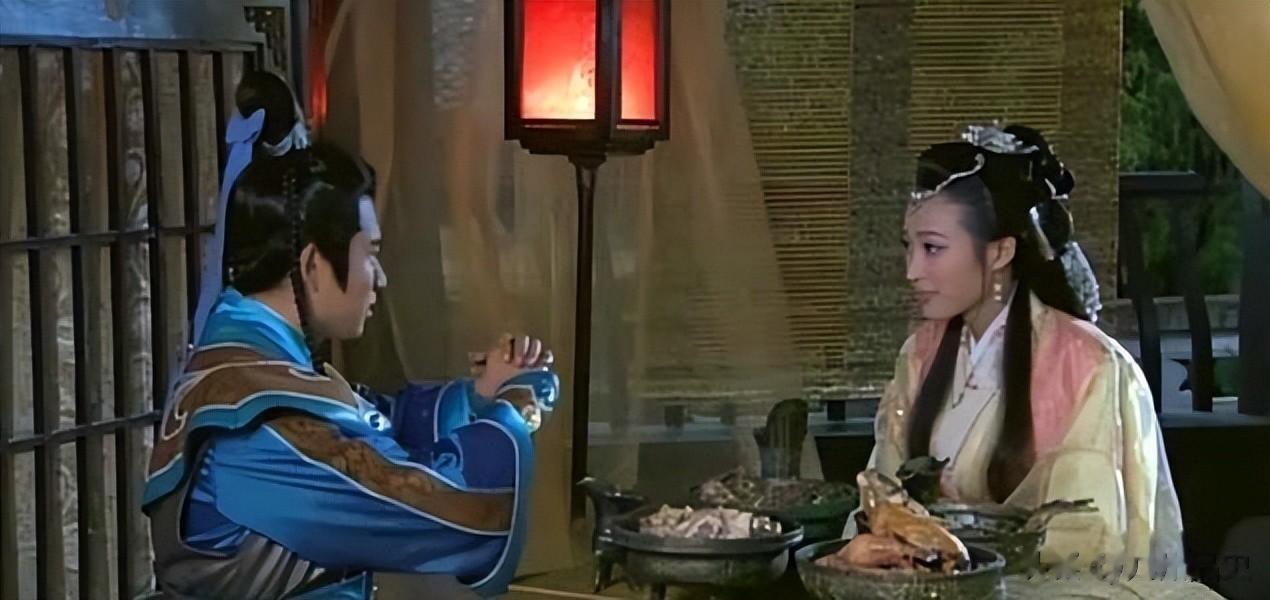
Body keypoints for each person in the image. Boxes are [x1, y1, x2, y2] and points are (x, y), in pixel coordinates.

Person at [142, 71, 559, 599]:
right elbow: (435, 500)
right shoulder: (258, 426)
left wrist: (478, 397)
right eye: (371, 254)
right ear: (313, 264)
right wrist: (512, 410)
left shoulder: (247, 369)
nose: (378, 279)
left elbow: (374, 424)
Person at [846, 124, 1185, 578]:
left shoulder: (1087, 366)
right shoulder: (920, 356)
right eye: (909, 248)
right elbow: (882, 495)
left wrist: (965, 564)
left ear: (1001, 251)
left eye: (933, 248)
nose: (912, 270)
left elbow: (1090, 537)